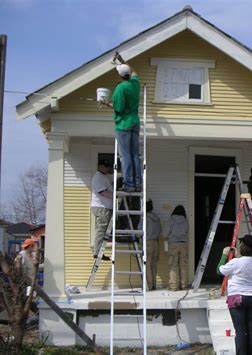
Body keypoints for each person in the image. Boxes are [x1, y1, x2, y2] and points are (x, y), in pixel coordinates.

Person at [100, 53, 141, 193]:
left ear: (119, 75)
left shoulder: (120, 89)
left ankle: (129, 184)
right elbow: (134, 70)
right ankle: (137, 183)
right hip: (135, 122)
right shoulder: (135, 82)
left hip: (124, 125)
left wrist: (105, 103)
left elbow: (118, 108)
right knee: (135, 154)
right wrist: (122, 60)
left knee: (126, 155)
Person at [217, 235, 252, 355]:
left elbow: (219, 270)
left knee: (240, 331)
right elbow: (245, 264)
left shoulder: (235, 262)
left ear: (242, 247)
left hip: (236, 298)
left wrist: (224, 254)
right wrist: (238, 257)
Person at [91, 159, 113, 261]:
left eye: (108, 166)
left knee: (103, 230)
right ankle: (97, 252)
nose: (107, 168)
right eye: (106, 166)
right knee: (102, 229)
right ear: (100, 166)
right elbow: (103, 193)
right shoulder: (98, 178)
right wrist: (117, 196)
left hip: (105, 207)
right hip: (101, 207)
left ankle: (98, 251)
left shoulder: (104, 177)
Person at [163, 205, 189, 291]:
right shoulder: (185, 221)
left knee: (173, 265)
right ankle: (183, 285)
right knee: (183, 265)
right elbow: (186, 231)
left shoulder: (170, 221)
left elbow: (165, 234)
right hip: (183, 245)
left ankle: (173, 286)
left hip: (173, 244)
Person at [137, 199, 161, 290]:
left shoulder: (144, 218)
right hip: (156, 243)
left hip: (147, 243)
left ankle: (149, 285)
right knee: (154, 265)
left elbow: (139, 232)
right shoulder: (157, 218)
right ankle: (154, 284)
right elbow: (159, 232)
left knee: (147, 265)